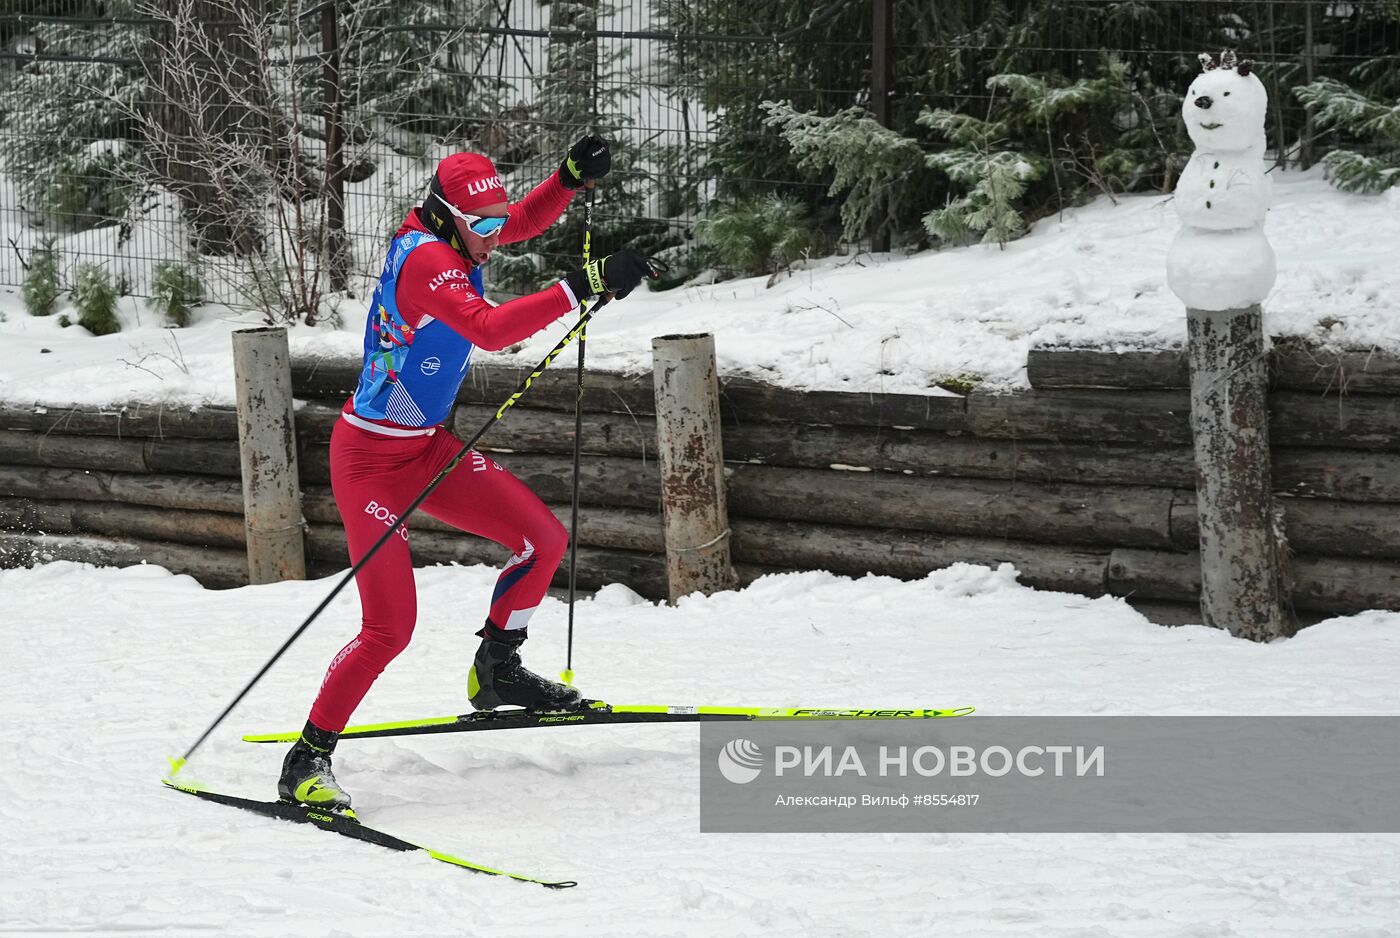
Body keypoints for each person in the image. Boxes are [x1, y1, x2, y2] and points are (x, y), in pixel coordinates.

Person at [278, 136, 656, 810]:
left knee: (544, 538)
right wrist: (584, 284)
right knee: (388, 630)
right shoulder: (427, 259)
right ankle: (307, 757)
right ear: (448, 214)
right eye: (480, 227)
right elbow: (488, 329)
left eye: (491, 224)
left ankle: (499, 669)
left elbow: (524, 220)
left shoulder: (459, 230)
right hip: (369, 462)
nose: (492, 238)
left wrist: (567, 179)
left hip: (425, 446)